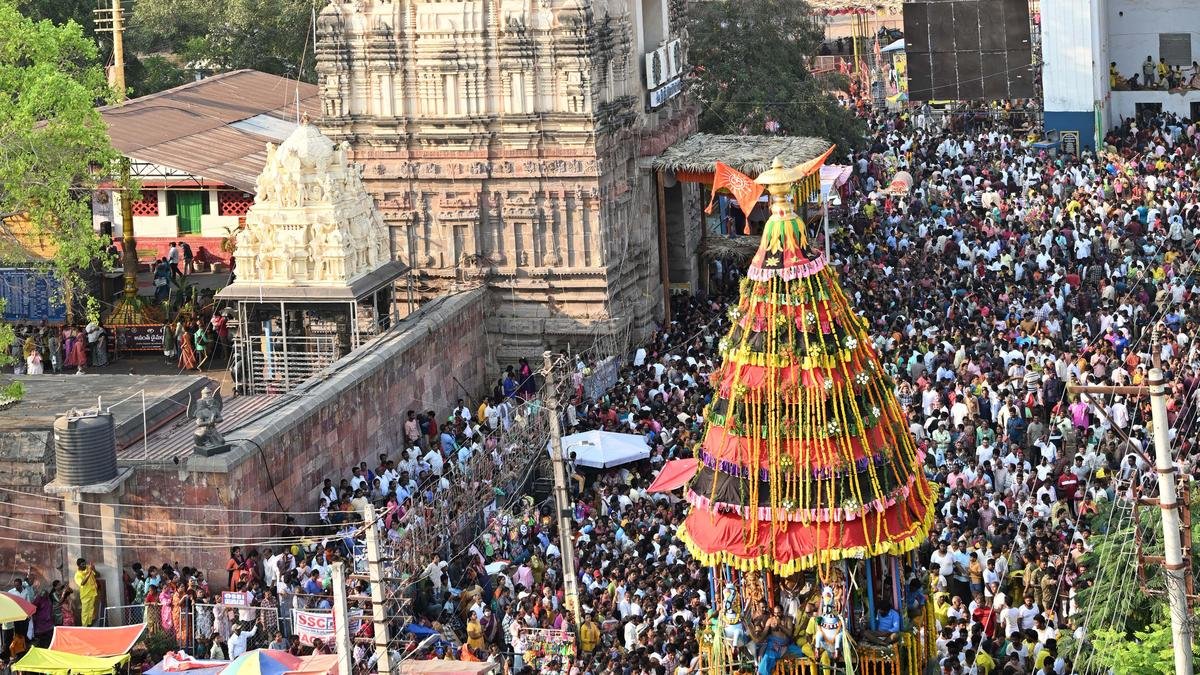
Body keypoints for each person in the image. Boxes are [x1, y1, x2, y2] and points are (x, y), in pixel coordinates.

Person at [74, 558, 98, 627]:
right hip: (85, 596)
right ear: (78, 566)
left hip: (93, 593)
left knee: (91, 611)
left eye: (85, 563)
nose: (85, 565)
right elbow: (82, 583)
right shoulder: (77, 575)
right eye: (82, 564)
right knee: (85, 613)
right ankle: (84, 627)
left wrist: (93, 569)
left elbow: (96, 575)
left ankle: (90, 625)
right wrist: (89, 573)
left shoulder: (88, 568)